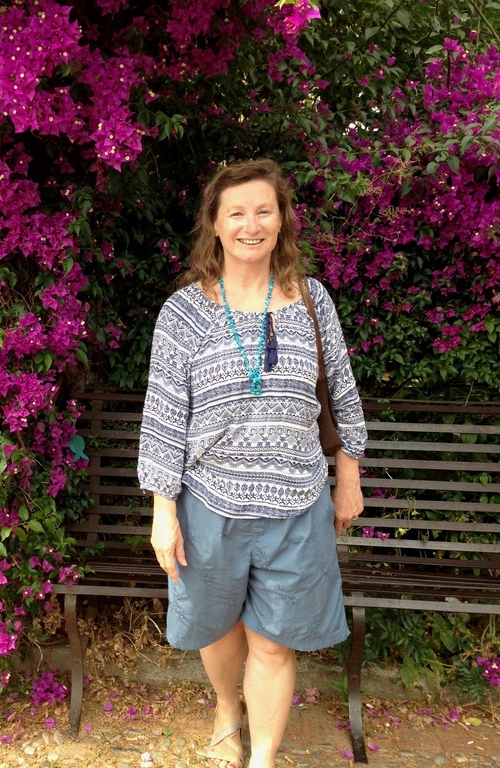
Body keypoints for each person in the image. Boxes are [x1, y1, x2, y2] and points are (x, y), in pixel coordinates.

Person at [137, 159, 367, 768]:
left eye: (264, 210)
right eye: (236, 212)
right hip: (209, 502)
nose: (251, 224)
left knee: (273, 643)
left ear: (282, 220)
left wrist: (348, 476)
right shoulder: (183, 314)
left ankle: (262, 757)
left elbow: (341, 392)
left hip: (297, 504)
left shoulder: (313, 300)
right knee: (215, 629)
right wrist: (164, 511)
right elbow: (163, 418)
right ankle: (226, 710)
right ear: (214, 225)